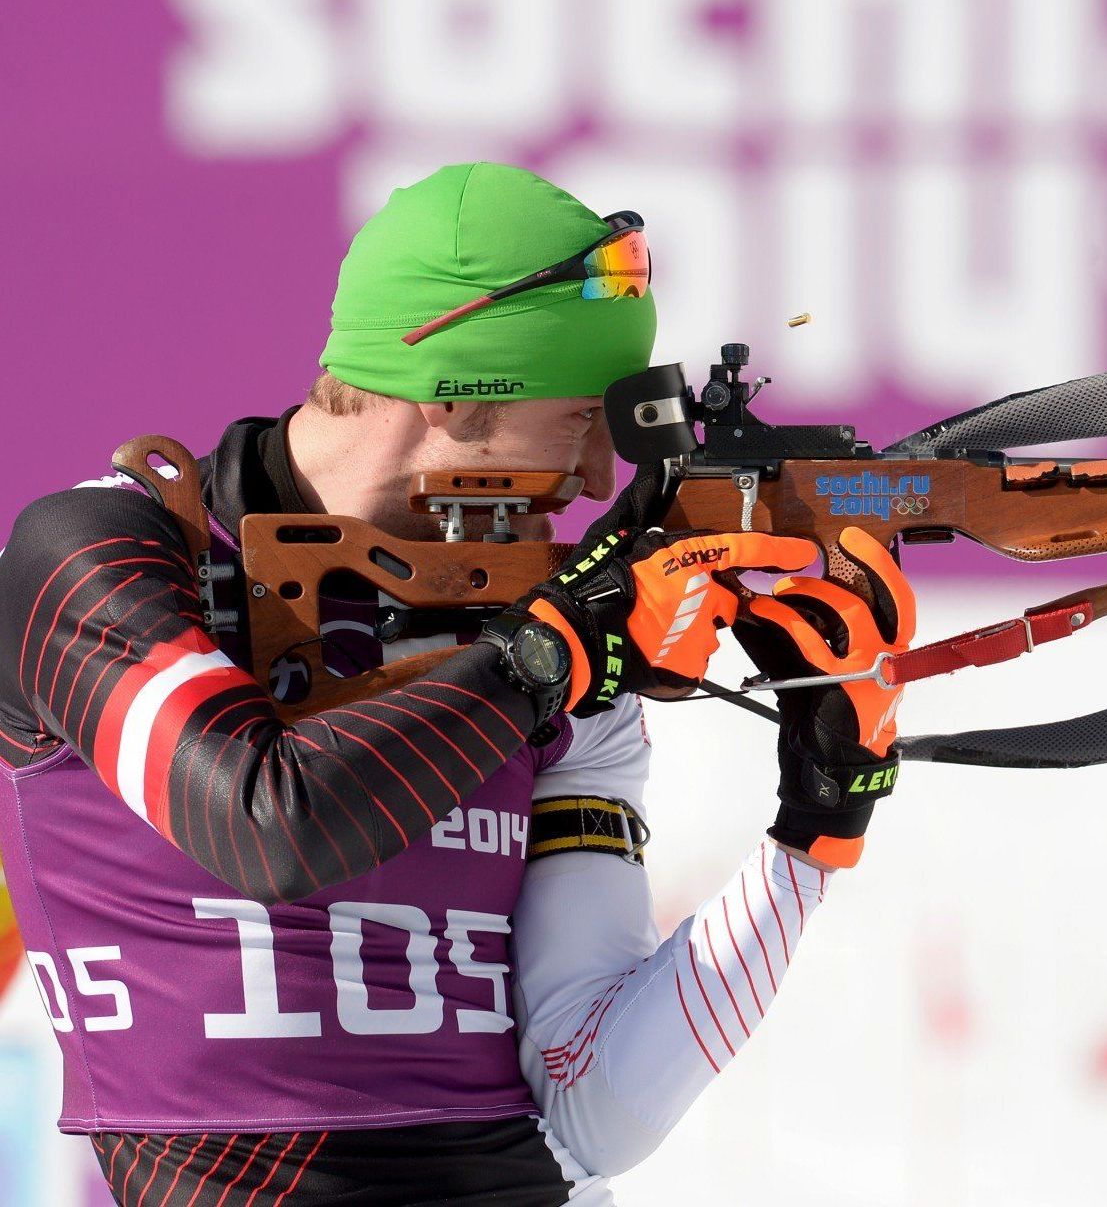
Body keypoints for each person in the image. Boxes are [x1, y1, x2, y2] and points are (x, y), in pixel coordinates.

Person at [0, 163, 912, 1204]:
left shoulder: (552, 639)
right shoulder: (102, 554)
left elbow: (595, 1109)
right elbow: (268, 826)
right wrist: (543, 659)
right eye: (579, 420)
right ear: (457, 399)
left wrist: (817, 821)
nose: (598, 480)